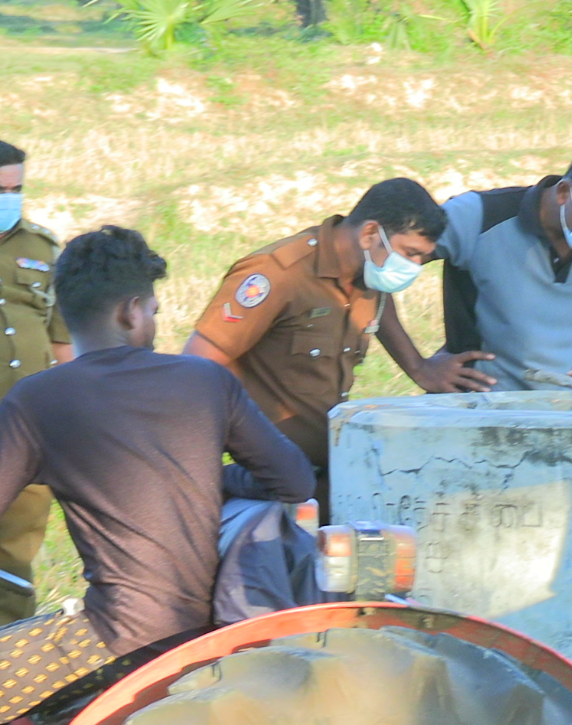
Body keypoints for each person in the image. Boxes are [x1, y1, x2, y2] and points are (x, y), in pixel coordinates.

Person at [0, 226, 314, 722]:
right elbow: (294, 481)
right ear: (131, 311)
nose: (152, 322)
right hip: (211, 635)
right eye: (153, 311)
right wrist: (216, 478)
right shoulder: (206, 381)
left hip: (112, 641)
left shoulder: (37, 400)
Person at [183, 178, 446, 514]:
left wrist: (420, 368)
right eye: (410, 254)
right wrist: (245, 453)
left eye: (422, 258)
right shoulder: (279, 274)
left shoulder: (368, 274)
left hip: (326, 475)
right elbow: (197, 367)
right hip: (268, 483)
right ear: (369, 234)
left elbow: (381, 306)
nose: (414, 268)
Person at [386, 133, 572, 393]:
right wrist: (419, 367)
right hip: (475, 411)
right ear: (563, 193)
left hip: (561, 415)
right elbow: (381, 260)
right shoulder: (480, 218)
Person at [0, 140, 74, 627]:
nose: (10, 197)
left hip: (24, 432)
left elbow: (64, 346)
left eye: (17, 187)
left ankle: (10, 678)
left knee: (13, 561)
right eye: (1, 188)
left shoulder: (43, 249)